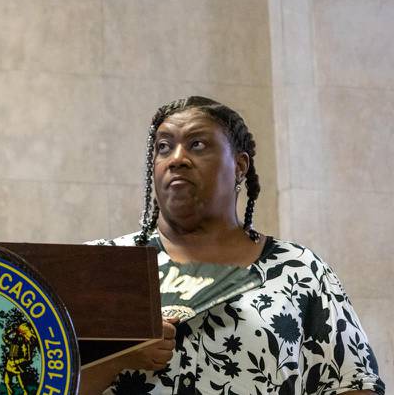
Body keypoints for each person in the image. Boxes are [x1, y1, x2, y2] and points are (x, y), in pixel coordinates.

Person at [88, 96, 384, 395]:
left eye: (197, 145)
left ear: (240, 166)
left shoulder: (299, 269)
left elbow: (356, 383)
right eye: (163, 147)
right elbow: (43, 380)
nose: (176, 158)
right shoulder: (100, 266)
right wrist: (119, 358)